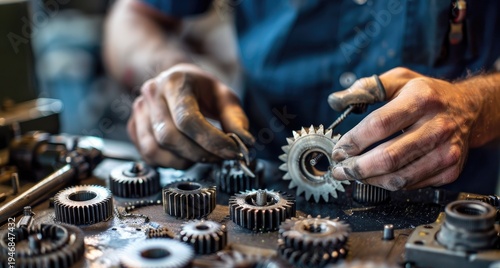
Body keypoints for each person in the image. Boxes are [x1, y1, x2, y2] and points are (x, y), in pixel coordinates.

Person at [103, 0, 500, 194]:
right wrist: (169, 68)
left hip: (443, 206)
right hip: (258, 186)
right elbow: (134, 16)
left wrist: (474, 105)